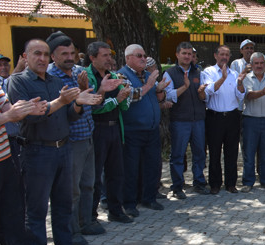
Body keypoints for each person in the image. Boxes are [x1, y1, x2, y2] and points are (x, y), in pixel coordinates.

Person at [8, 38, 102, 245]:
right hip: (37, 151)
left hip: (63, 148)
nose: (41, 58)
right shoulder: (17, 82)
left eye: (45, 54)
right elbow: (33, 116)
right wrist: (62, 101)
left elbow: (68, 116)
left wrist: (78, 104)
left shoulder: (54, 81)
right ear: (26, 57)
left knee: (63, 204)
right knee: (37, 210)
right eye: (36, 54)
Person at [46, 32, 98, 245]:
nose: (70, 57)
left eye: (72, 52)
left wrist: (87, 89)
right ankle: (71, 232)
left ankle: (86, 222)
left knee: (88, 184)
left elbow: (89, 98)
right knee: (71, 190)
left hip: (87, 134)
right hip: (70, 140)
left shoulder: (78, 72)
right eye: (63, 54)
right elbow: (60, 110)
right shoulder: (51, 78)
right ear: (53, 57)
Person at [0, 83, 45, 245]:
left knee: (12, 214)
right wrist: (8, 116)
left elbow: (10, 113)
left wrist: (23, 110)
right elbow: (6, 117)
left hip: (5, 159)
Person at [85, 41, 133, 225]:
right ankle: (90, 216)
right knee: (95, 176)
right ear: (92, 57)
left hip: (115, 129)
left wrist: (124, 97)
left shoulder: (113, 75)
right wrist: (116, 99)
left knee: (116, 173)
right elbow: (93, 107)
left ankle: (115, 210)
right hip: (97, 130)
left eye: (109, 55)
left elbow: (124, 106)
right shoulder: (87, 77)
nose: (109, 59)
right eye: (104, 55)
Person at [117, 44, 168, 218]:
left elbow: (157, 97)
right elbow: (131, 96)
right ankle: (130, 203)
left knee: (152, 166)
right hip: (133, 130)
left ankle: (149, 198)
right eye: (139, 55)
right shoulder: (121, 75)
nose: (143, 59)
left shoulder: (147, 75)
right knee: (131, 169)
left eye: (144, 55)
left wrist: (160, 89)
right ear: (128, 58)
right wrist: (150, 85)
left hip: (151, 129)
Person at [162, 41, 209, 199]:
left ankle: (199, 182)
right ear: (177, 55)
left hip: (198, 120)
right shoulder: (170, 73)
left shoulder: (199, 73)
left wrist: (202, 92)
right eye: (184, 53)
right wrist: (185, 87)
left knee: (199, 153)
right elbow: (168, 96)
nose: (187, 56)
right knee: (178, 154)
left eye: (190, 54)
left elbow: (204, 97)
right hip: (180, 120)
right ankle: (177, 186)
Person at [201, 45, 246, 194]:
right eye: (222, 54)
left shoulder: (234, 73)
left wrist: (240, 83)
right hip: (215, 117)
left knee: (232, 152)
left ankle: (231, 183)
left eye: (227, 55)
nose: (224, 57)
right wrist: (223, 78)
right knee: (214, 152)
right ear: (215, 56)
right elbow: (209, 91)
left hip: (232, 117)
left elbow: (240, 96)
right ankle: (215, 184)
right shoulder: (208, 72)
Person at [241, 52, 265, 192]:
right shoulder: (246, 78)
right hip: (250, 120)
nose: (259, 66)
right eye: (256, 63)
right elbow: (249, 95)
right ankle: (248, 182)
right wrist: (263, 92)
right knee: (249, 153)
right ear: (251, 65)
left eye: (261, 63)